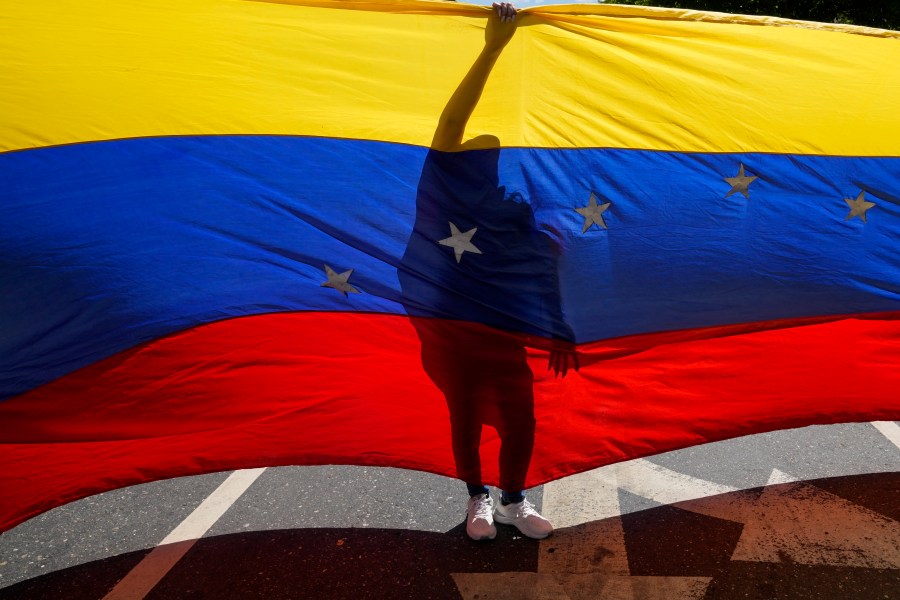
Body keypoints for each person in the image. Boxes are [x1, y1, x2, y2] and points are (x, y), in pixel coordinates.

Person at [399, 2, 578, 541]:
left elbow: (540, 269)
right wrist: (493, 48)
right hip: (448, 325)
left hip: (501, 329)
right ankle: (477, 499)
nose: (486, 142)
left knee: (520, 418)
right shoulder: (442, 185)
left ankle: (514, 502)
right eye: (482, 144)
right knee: (466, 415)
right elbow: (452, 121)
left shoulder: (514, 212)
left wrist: (558, 323)